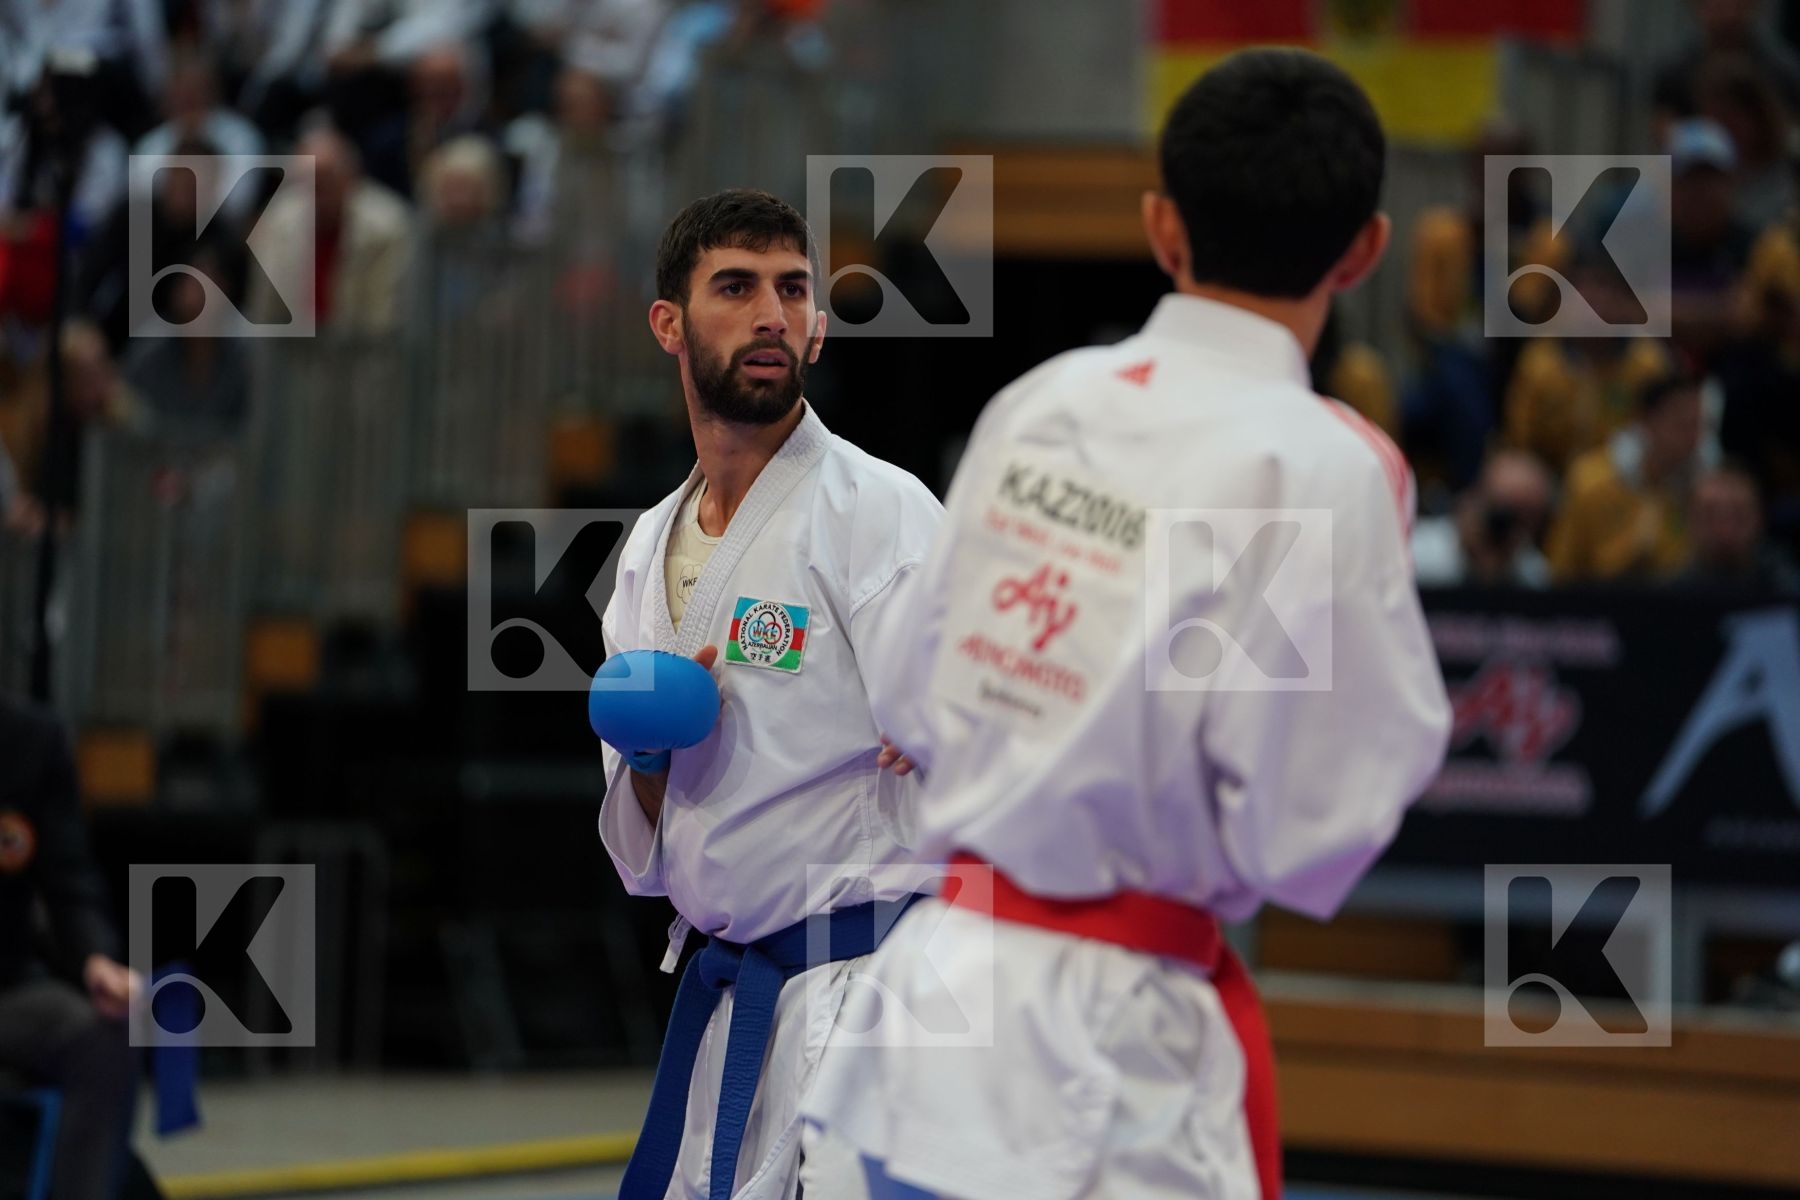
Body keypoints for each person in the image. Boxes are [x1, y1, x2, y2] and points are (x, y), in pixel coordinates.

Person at [802, 48, 1451, 1200]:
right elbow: (1306, 834)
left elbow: (908, 694)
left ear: (1162, 226)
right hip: (1106, 1073)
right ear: (1364, 250)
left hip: (924, 1012)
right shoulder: (1328, 470)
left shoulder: (1041, 402)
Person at [595, 188, 942, 1200]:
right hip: (730, 988)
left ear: (820, 328)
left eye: (793, 290)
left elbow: (985, 744)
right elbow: (646, 852)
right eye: (736, 288)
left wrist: (952, 735)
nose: (770, 315)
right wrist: (652, 756)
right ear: (669, 323)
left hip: (875, 993)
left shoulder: (881, 514)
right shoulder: (645, 552)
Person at [0, 692, 141, 1200]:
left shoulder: (30, 742)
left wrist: (96, 959)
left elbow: (70, 879)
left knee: (104, 1039)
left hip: (7, 991)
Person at [1545, 375, 1706, 584]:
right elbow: (1562, 569)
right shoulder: (1590, 481)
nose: (1694, 438)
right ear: (1645, 420)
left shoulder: (1703, 486)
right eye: (1682, 425)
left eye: (1698, 426)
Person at [1412, 448, 1554, 588]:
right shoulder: (1415, 556)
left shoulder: (1534, 576)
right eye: (1501, 511)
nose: (1508, 528)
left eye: (1525, 518)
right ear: (1473, 499)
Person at [1677, 461, 1800, 591]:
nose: (1724, 531)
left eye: (1738, 517)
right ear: (1689, 521)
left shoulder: (1788, 590)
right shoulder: (1668, 597)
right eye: (1710, 517)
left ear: (1759, 519)